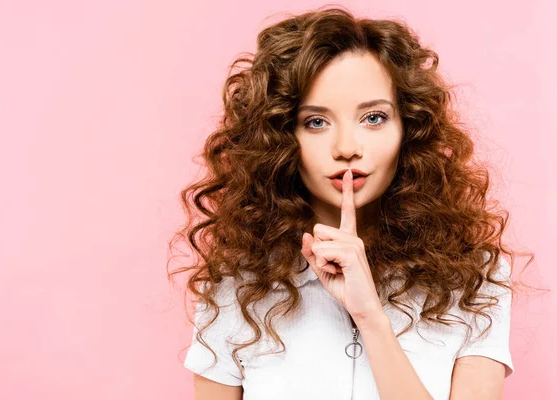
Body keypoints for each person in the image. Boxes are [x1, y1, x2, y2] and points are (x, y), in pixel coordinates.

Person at [168, 6, 532, 400]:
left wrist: (370, 316)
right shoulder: (236, 285)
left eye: (374, 118)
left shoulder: (476, 278)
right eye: (316, 122)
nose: (346, 149)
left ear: (408, 129)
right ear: (280, 139)